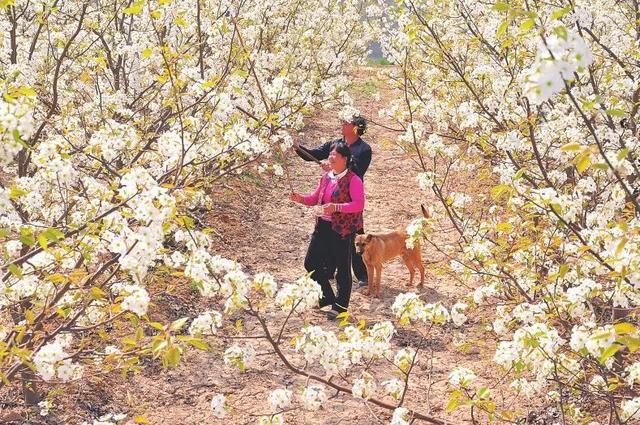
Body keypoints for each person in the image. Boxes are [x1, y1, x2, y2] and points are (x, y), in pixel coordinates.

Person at [293, 115, 371, 288]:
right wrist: (297, 147)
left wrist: (336, 166)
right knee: (330, 235)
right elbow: (311, 155)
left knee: (355, 236)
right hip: (332, 195)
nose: (342, 125)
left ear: (355, 127)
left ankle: (362, 273)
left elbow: (357, 170)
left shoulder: (364, 149)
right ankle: (328, 271)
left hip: (349, 198)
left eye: (346, 123)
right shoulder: (334, 145)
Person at [290, 142, 365, 319]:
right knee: (310, 263)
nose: (330, 158)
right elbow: (316, 198)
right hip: (323, 226)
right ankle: (326, 297)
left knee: (342, 268)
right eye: (330, 154)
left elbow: (359, 204)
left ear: (344, 159)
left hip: (342, 230)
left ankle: (340, 307)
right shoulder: (326, 177)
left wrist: (336, 207)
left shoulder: (354, 179)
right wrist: (300, 199)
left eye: (335, 156)